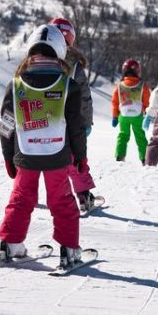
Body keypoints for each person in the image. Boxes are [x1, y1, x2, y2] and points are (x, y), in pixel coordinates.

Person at [0, 24, 86, 268]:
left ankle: (10, 245)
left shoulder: (15, 86)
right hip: (57, 156)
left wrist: (8, 157)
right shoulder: (68, 85)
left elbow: (6, 127)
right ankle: (69, 250)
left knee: (21, 198)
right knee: (62, 201)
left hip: (25, 154)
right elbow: (76, 128)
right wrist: (80, 157)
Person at [49, 17, 98, 211]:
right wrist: (86, 122)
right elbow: (84, 96)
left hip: (40, 116)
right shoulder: (74, 64)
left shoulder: (36, 58)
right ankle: (84, 195)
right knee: (74, 158)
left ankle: (29, 194)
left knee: (35, 155)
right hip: (68, 119)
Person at [111, 59, 151, 164]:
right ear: (137, 71)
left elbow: (115, 102)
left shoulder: (119, 86)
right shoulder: (143, 85)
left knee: (123, 135)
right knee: (140, 136)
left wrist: (115, 116)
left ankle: (120, 156)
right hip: (138, 116)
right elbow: (147, 102)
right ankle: (145, 159)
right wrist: (147, 114)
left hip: (123, 115)